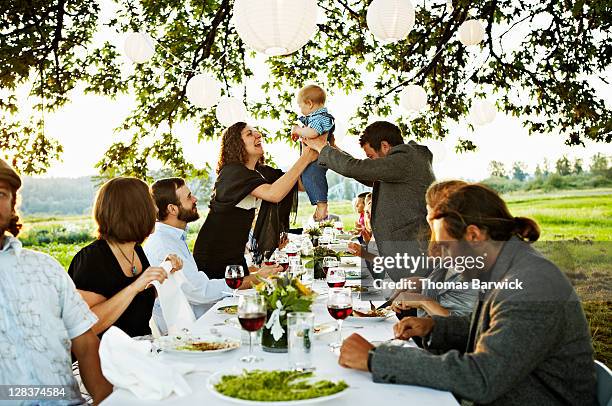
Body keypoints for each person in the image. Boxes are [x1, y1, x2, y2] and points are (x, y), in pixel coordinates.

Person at [338, 183, 597, 405]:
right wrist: (435, 328)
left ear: (473, 235)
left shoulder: (530, 284)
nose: (440, 255)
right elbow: (496, 329)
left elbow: (481, 377)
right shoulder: (506, 264)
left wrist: (377, 359)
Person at [0, 159, 112, 404]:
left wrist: (105, 400)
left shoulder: (45, 268)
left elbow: (84, 342)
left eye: (0, 193)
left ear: (12, 204)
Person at [302, 121, 435, 281]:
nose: (371, 162)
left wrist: (322, 148)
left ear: (385, 146)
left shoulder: (405, 159)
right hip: (406, 258)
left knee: (414, 302)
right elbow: (363, 172)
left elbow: (355, 168)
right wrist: (334, 148)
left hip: (412, 258)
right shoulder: (404, 161)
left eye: (371, 157)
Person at [146, 178, 282, 333]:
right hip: (190, 328)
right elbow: (200, 292)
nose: (195, 199)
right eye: (189, 197)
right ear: (172, 209)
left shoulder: (172, 237)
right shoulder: (165, 244)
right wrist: (257, 278)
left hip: (200, 317)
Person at [193, 122, 318, 280]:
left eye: (256, 132)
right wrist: (305, 158)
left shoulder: (260, 172)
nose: (258, 135)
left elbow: (300, 184)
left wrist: (315, 150)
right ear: (235, 144)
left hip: (235, 258)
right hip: (213, 256)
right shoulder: (231, 173)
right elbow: (274, 194)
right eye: (249, 134)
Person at [69, 177, 182, 337]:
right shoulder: (91, 260)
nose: (156, 209)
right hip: (107, 358)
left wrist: (165, 271)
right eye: (150, 202)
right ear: (134, 211)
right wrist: (134, 287)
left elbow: (140, 300)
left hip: (142, 350)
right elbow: (85, 327)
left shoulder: (136, 249)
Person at [391, 180, 479, 318]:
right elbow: (453, 287)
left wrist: (423, 301)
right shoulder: (450, 248)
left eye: (429, 212)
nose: (427, 219)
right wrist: (423, 283)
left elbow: (465, 326)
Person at [291, 84, 335, 221]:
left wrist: (298, 130)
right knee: (308, 178)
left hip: (317, 158)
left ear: (309, 104)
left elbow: (312, 132)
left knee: (314, 177)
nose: (300, 109)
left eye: (300, 106)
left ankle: (322, 205)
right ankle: (319, 204)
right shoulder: (317, 117)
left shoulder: (319, 117)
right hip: (313, 156)